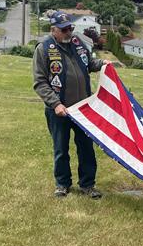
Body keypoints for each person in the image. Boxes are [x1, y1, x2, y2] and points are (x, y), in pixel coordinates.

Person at [33, 11, 110, 199]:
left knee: (86, 148)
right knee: (61, 148)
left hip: (83, 109)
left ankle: (88, 185)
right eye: (64, 29)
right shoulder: (43, 49)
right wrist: (56, 104)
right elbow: (40, 82)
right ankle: (62, 184)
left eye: (70, 28)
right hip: (59, 110)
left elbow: (89, 63)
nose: (69, 32)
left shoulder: (77, 43)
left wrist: (103, 64)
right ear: (54, 30)